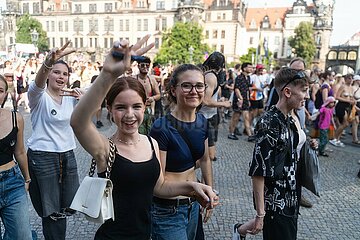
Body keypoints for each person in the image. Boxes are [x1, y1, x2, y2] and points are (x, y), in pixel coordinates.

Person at [70, 36, 219, 240]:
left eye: (136, 106)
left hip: (146, 233)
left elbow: (160, 187)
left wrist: (192, 187)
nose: (130, 115)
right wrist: (108, 74)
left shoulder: (151, 143)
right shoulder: (105, 148)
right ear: (110, 110)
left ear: (145, 107)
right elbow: (78, 122)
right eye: (121, 107)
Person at [150, 64, 215, 240]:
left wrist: (209, 192)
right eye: (187, 85)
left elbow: (205, 159)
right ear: (173, 90)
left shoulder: (202, 121)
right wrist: (193, 188)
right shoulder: (160, 128)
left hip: (193, 206)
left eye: (199, 85)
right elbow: (157, 184)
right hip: (167, 211)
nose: (194, 91)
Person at [245, 67, 309, 240]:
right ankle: (240, 231)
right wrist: (260, 214)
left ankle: (240, 230)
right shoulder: (269, 123)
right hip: (276, 203)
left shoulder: (287, 117)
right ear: (287, 92)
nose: (307, 96)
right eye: (304, 91)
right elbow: (258, 171)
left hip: (290, 197)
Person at [26, 42, 82, 240]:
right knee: (51, 208)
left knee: (66, 205)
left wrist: (84, 100)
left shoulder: (71, 97)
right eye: (56, 72)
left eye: (65, 74)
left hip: (67, 153)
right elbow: (37, 82)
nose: (61, 77)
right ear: (49, 75)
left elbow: (99, 92)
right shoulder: (38, 97)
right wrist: (48, 62)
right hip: (42, 155)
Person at [0, 75, 32, 239]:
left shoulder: (15, 118)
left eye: (0, 90)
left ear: (5, 94)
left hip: (13, 182)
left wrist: (27, 178)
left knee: (22, 236)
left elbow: (19, 152)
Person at [199, 52, 231, 161]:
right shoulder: (211, 77)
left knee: (208, 155)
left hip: (210, 115)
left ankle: (203, 178)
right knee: (209, 156)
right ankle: (187, 172)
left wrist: (218, 100)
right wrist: (223, 104)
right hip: (205, 117)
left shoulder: (209, 75)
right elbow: (206, 101)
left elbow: (209, 97)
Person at [135, 56, 161, 134]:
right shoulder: (134, 79)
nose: (145, 67)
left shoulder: (152, 80)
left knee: (150, 132)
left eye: (147, 65)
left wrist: (152, 98)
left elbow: (158, 95)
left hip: (148, 110)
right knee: (139, 132)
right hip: (137, 110)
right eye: (142, 65)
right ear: (138, 66)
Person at [228, 62, 252, 140]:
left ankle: (250, 135)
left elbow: (248, 89)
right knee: (236, 117)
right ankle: (231, 133)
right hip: (238, 100)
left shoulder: (248, 77)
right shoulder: (239, 77)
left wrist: (248, 99)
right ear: (244, 68)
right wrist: (240, 99)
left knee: (246, 117)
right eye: (249, 67)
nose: (251, 69)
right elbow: (237, 89)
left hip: (245, 100)